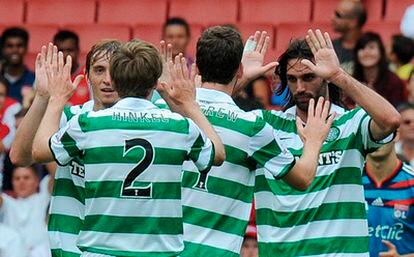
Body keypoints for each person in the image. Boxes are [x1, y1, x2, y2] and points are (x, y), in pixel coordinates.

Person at [31, 39, 225, 256]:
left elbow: (39, 151)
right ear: (155, 83)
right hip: (159, 251)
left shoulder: (89, 123)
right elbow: (218, 154)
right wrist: (190, 105)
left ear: (115, 78)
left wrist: (56, 100)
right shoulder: (179, 126)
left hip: (101, 250)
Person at [167, 27, 334, 257]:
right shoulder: (251, 128)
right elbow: (303, 178)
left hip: (163, 249)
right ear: (238, 69)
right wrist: (314, 141)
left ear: (196, 67)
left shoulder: (166, 113)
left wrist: (241, 78)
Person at [253, 29, 400, 257]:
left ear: (324, 76)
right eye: (292, 79)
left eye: (308, 77)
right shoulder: (267, 126)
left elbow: (391, 120)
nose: (300, 87)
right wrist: (243, 79)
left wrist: (339, 76)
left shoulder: (350, 122)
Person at [10, 40, 121, 257]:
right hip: (69, 246)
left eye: (116, 70)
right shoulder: (69, 117)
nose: (108, 79)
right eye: (99, 70)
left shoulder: (138, 124)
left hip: (115, 245)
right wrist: (43, 97)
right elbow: (19, 157)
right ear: (87, 76)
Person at [363, 140, 414, 257]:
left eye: (382, 130)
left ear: (395, 133)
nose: (377, 138)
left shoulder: (411, 182)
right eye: (372, 131)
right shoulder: (349, 182)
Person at [0, 165, 52, 257]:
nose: (21, 181)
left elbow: (56, 174)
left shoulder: (44, 198)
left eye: (26, 177)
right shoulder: (7, 202)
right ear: (12, 182)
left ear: (37, 181)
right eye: (17, 178)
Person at [351, 32, 407, 108]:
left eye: (371, 47)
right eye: (362, 48)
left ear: (381, 52)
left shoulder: (394, 81)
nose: (366, 52)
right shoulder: (351, 80)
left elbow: (400, 110)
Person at [53, 30, 90, 105]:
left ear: (78, 50)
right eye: (61, 51)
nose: (65, 55)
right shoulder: (48, 75)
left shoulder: (89, 75)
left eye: (70, 50)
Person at [0, 27, 35, 102]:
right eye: (10, 46)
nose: (15, 50)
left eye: (19, 45)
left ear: (26, 48)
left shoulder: (35, 80)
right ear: (3, 49)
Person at [332, 0, 367, 72]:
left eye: (338, 15)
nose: (332, 18)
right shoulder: (330, 47)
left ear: (353, 22)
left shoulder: (370, 50)